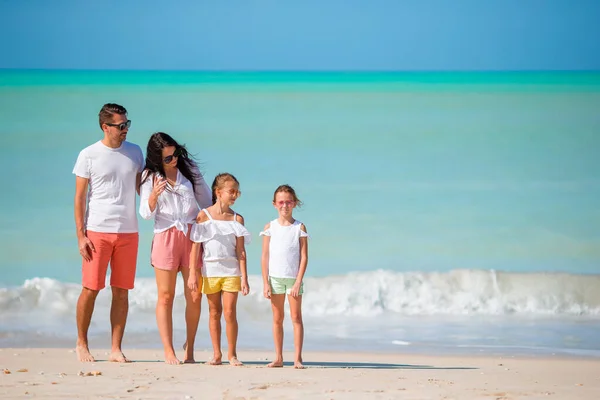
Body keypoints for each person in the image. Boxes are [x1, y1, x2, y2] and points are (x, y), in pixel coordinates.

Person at [73, 103, 145, 363]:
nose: (125, 129)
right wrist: (81, 235)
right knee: (91, 288)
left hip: (128, 231)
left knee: (122, 291)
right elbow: (80, 198)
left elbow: (142, 190)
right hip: (97, 231)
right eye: (120, 125)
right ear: (106, 127)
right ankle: (82, 343)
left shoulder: (135, 152)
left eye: (127, 124)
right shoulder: (89, 154)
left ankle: (116, 348)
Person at [139, 132, 212, 364]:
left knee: (194, 295)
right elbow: (145, 214)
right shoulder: (149, 176)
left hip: (191, 237)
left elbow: (206, 201)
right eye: (168, 158)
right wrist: (153, 196)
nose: (174, 160)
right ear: (157, 159)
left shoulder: (189, 169)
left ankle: (189, 350)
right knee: (166, 296)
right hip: (165, 237)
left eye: (176, 154)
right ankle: (169, 350)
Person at [187, 173, 250, 366]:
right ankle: (217, 354)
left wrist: (245, 278)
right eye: (231, 191)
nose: (234, 195)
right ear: (218, 192)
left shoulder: (237, 219)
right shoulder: (203, 216)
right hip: (210, 271)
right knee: (214, 312)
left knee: (230, 312)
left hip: (231, 272)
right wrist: (192, 274)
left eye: (237, 192)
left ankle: (232, 354)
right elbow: (196, 247)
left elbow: (241, 251)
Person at [260, 184, 309, 369]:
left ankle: (298, 358)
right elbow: (265, 256)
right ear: (274, 204)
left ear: (294, 203)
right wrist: (265, 282)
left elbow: (304, 257)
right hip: (275, 279)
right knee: (277, 318)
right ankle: (278, 357)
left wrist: (298, 281)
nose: (285, 206)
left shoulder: (299, 227)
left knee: (296, 317)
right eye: (281, 202)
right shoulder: (270, 227)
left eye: (288, 202)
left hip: (293, 279)